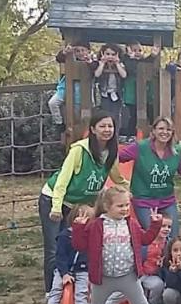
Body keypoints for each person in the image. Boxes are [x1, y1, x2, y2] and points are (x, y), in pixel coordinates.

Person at [69, 185, 166, 304]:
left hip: (128, 276)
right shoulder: (96, 225)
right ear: (107, 206)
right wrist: (78, 228)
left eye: (127, 205)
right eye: (120, 206)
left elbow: (145, 239)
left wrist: (155, 224)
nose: (125, 209)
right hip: (103, 277)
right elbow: (80, 245)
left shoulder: (131, 223)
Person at [39, 110, 127, 294]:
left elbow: (117, 177)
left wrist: (130, 190)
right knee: (55, 245)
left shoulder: (111, 152)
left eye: (110, 126)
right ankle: (51, 291)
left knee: (76, 242)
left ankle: (73, 282)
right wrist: (56, 207)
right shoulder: (80, 150)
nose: (107, 130)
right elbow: (63, 180)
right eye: (102, 126)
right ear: (93, 129)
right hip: (55, 199)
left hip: (77, 205)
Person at [120, 117, 181, 243]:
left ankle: (171, 261)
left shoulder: (176, 150)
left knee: (172, 236)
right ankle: (151, 261)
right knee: (153, 235)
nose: (165, 132)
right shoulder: (140, 147)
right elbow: (117, 157)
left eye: (168, 129)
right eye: (161, 128)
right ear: (153, 131)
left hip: (166, 199)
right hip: (144, 200)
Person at [41, 204, 95, 304]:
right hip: (63, 270)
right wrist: (64, 273)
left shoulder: (90, 237)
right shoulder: (64, 236)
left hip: (83, 270)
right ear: (73, 220)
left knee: (82, 291)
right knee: (57, 288)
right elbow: (60, 257)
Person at [49, 43, 93, 128]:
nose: (80, 53)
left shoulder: (92, 60)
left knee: (80, 115)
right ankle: (59, 123)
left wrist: (89, 62)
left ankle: (85, 131)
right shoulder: (70, 59)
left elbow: (95, 68)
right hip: (65, 88)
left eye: (83, 50)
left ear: (88, 51)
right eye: (77, 51)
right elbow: (59, 58)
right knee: (53, 103)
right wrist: (65, 52)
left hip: (83, 92)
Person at [122, 42, 159, 139]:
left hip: (144, 95)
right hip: (131, 96)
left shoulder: (144, 61)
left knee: (149, 114)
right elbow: (132, 68)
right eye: (134, 50)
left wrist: (153, 55)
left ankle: (150, 134)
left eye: (140, 50)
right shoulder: (127, 61)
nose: (137, 53)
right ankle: (130, 135)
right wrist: (130, 57)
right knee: (133, 116)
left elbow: (147, 62)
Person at [94, 43, 128, 133]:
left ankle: (115, 135)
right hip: (104, 94)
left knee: (116, 115)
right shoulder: (100, 64)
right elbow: (97, 74)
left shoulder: (120, 64)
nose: (110, 57)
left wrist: (117, 63)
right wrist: (102, 63)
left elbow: (124, 75)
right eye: (107, 54)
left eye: (113, 54)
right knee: (105, 115)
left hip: (116, 94)